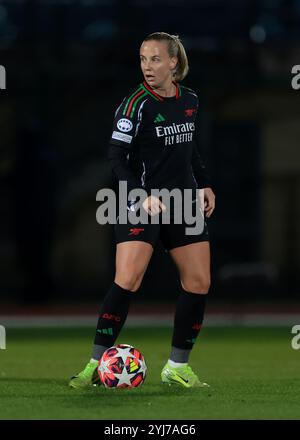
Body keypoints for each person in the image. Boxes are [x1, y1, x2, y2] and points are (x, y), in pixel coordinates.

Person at [69, 31, 215, 389]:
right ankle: (94, 365)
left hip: (182, 201)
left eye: (154, 59)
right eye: (142, 59)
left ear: (173, 63)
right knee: (128, 279)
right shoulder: (135, 104)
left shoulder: (190, 100)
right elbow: (116, 158)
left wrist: (204, 181)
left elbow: (189, 147)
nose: (147, 66)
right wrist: (140, 194)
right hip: (140, 201)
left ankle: (177, 367)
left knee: (199, 282)